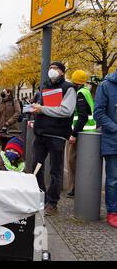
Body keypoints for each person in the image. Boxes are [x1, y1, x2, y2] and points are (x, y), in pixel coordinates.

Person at [31, 62, 77, 216]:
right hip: (40, 133)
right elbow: (43, 107)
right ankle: (40, 197)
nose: (52, 71)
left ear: (62, 72)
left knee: (55, 171)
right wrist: (35, 110)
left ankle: (52, 202)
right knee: (36, 167)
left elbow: (66, 110)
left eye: (56, 68)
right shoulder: (44, 87)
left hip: (57, 134)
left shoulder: (68, 88)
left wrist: (42, 109)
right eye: (50, 68)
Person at [66, 70, 97, 198]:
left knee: (72, 161)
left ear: (75, 82)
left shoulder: (80, 94)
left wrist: (74, 134)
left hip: (81, 133)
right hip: (88, 133)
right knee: (80, 161)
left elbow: (82, 116)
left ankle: (74, 189)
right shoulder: (86, 92)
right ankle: (78, 188)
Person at [93, 70, 117, 228]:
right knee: (113, 180)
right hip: (113, 140)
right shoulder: (106, 86)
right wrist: (115, 128)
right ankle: (113, 212)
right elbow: (98, 113)